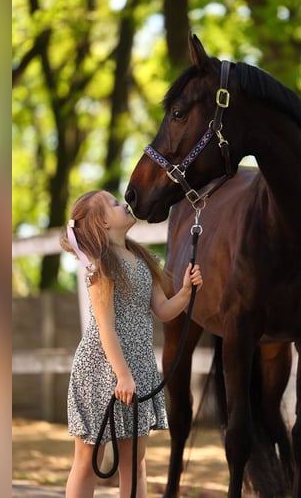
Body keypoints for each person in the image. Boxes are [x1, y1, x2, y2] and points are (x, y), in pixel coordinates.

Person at [60, 190, 203, 498]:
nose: (123, 203)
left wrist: (186, 293)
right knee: (88, 460)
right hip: (100, 370)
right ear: (102, 224)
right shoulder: (102, 267)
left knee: (135, 462)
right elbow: (106, 328)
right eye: (113, 204)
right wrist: (122, 375)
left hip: (137, 368)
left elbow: (162, 310)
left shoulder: (141, 259)